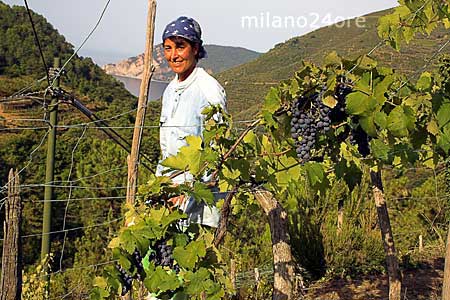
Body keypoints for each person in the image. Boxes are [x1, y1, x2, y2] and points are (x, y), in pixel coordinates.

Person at [155, 16, 227, 228]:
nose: (173, 55)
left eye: (180, 47)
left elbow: (216, 153)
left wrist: (187, 192)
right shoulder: (170, 90)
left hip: (198, 206)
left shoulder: (208, 91)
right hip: (170, 196)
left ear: (195, 49)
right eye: (168, 48)